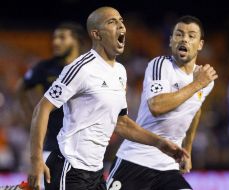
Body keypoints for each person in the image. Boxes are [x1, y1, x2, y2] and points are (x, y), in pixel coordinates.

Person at [27, 7, 189, 190]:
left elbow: (121, 123)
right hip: (69, 169)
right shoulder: (81, 68)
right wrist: (35, 161)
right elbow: (42, 108)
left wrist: (160, 143)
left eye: (121, 21)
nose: (121, 26)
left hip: (96, 174)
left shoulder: (120, 72)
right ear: (96, 34)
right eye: (112, 22)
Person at [107, 15, 218, 190]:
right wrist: (197, 84)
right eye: (179, 34)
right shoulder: (160, 65)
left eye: (191, 35)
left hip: (168, 168)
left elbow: (195, 110)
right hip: (135, 161)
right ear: (171, 40)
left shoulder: (206, 80)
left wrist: (187, 149)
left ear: (200, 45)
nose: (184, 39)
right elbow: (157, 106)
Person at [17, 21, 86, 160]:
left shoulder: (88, 67)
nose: (55, 42)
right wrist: (31, 117)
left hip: (83, 147)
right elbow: (21, 88)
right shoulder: (45, 67)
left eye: (62, 37)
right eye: (54, 38)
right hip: (53, 145)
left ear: (76, 40)